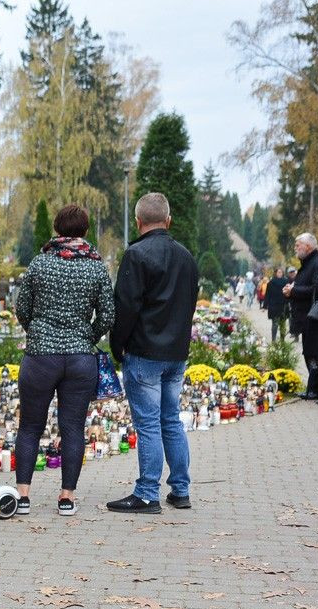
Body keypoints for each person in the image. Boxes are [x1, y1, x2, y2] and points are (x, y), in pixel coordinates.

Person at [13, 204, 114, 517]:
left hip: (40, 358)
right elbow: (108, 315)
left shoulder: (40, 263)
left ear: (56, 229)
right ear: (85, 230)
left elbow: (22, 308)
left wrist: (37, 332)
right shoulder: (96, 268)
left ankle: (23, 496)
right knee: (72, 428)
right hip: (80, 359)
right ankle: (67, 497)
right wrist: (86, 337)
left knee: (30, 426)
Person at [107, 192, 199, 514]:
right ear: (168, 220)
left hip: (145, 351)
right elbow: (190, 302)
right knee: (170, 420)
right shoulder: (186, 256)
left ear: (138, 222)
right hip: (176, 352)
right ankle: (181, 489)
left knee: (148, 424)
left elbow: (126, 306)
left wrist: (116, 344)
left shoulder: (136, 255)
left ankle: (147, 493)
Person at [287, 234, 318, 397]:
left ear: (308, 247)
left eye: (298, 245)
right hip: (306, 316)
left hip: (314, 317)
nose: (295, 248)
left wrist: (294, 290)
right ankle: (314, 388)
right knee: (309, 352)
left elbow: (316, 289)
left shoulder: (317, 263)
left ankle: (316, 389)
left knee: (314, 353)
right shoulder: (307, 264)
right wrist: (291, 291)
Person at [264, 267, 289, 343]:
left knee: (283, 324)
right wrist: (265, 306)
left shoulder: (286, 282)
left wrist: (289, 302)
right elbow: (267, 295)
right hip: (274, 306)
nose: (280, 274)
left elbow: (289, 293)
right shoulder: (271, 283)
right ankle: (273, 340)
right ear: (275, 273)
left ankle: (282, 340)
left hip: (283, 306)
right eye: (278, 272)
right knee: (275, 324)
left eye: (281, 272)